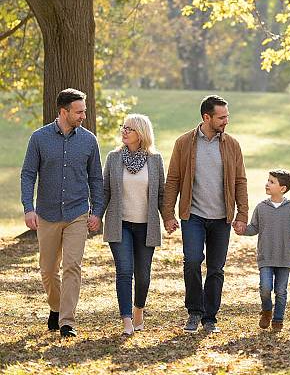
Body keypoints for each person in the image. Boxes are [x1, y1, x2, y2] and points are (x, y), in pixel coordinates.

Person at [162, 95, 248, 334]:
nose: (226, 121)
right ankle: (194, 312)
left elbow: (240, 180)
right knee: (191, 261)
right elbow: (173, 180)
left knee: (216, 268)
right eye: (221, 117)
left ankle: (210, 317)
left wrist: (242, 214)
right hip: (194, 215)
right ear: (206, 117)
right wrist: (168, 214)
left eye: (227, 117)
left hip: (222, 218)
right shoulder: (184, 143)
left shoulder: (232, 145)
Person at [20, 88, 103, 338]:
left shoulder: (89, 140)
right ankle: (56, 307)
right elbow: (28, 174)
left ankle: (67, 321)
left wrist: (97, 211)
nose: (83, 116)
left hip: (77, 213)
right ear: (63, 111)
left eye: (84, 111)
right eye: (79, 112)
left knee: (72, 266)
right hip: (46, 213)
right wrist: (28, 207)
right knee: (47, 269)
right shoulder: (39, 138)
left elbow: (96, 179)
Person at [102, 114, 165, 336]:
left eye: (130, 128)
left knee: (143, 275)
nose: (124, 131)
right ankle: (127, 320)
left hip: (146, 227)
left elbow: (161, 195)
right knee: (124, 271)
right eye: (123, 127)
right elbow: (105, 191)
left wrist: (169, 218)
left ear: (141, 133)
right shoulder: (113, 158)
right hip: (120, 225)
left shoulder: (155, 160)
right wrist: (95, 216)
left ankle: (139, 310)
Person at [241, 169, 290, 331]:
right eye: (268, 180)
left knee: (281, 291)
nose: (267, 184)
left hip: (285, 257)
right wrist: (242, 229)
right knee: (265, 287)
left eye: (272, 182)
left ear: (282, 188)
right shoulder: (261, 207)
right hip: (266, 256)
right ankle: (266, 310)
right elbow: (254, 228)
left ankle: (278, 319)